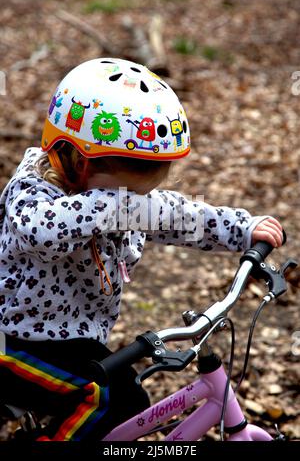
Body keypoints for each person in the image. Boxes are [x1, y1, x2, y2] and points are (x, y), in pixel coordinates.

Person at [0, 58, 283, 441]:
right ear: (81, 163)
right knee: (103, 398)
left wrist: (241, 229)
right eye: (126, 194)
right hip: (14, 343)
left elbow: (178, 214)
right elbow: (39, 233)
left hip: (72, 342)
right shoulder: (33, 191)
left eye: (139, 196)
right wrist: (116, 205)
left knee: (129, 398)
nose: (134, 203)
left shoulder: (125, 198)